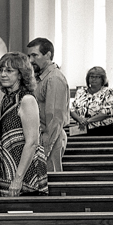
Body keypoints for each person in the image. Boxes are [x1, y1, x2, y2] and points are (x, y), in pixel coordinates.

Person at [0, 53, 48, 197]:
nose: (3, 74)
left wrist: (18, 179)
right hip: (7, 171)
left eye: (9, 71)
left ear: (21, 75)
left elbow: (32, 143)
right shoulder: (7, 98)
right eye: (1, 70)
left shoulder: (26, 99)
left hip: (23, 177)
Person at [26, 37, 69, 172]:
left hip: (50, 138)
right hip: (41, 137)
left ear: (48, 55)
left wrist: (44, 149)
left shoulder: (54, 78)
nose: (31, 60)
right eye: (29, 56)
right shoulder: (41, 77)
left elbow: (55, 119)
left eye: (35, 55)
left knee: (51, 180)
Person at [71, 66, 113, 136]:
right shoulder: (81, 92)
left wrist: (88, 120)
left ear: (103, 79)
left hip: (103, 130)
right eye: (91, 77)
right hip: (81, 129)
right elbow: (72, 109)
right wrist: (79, 119)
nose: (94, 79)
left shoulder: (109, 92)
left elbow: (108, 112)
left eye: (97, 77)